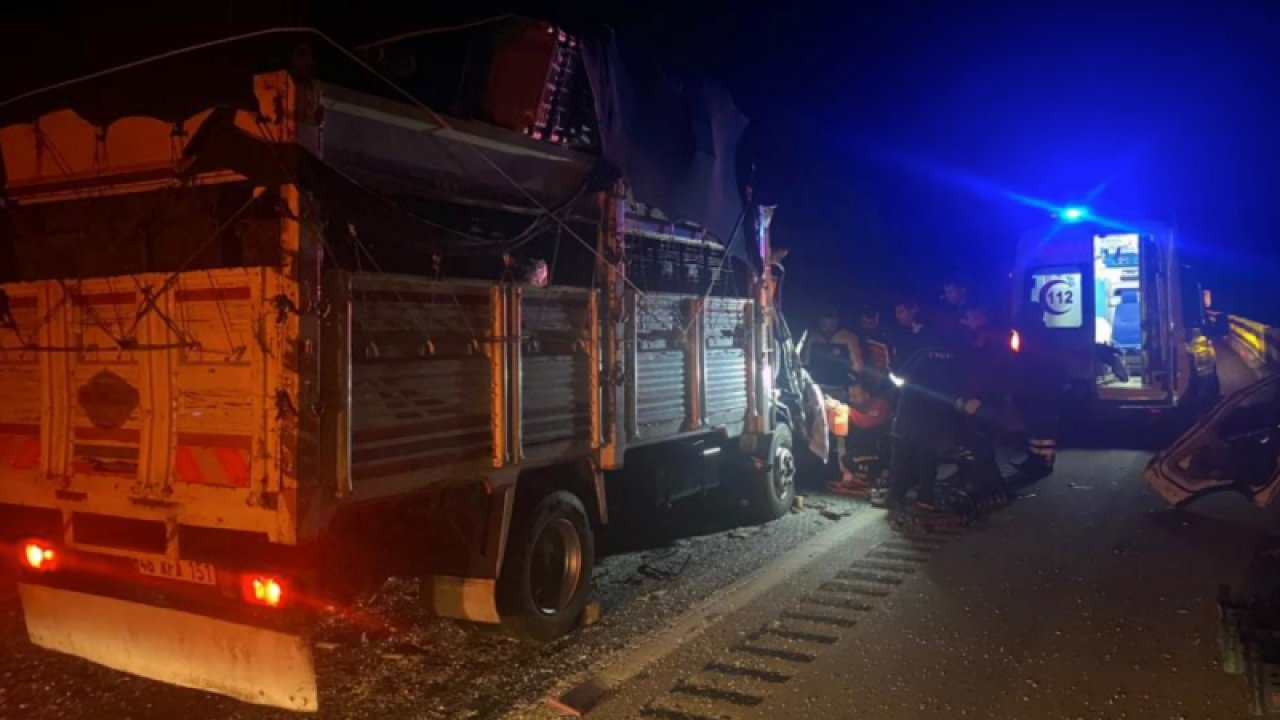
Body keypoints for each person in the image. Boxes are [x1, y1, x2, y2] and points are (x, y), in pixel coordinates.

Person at [827, 374, 893, 496]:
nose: (852, 400)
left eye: (855, 396)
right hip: (863, 450)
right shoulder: (856, 407)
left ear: (867, 396)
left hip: (880, 453)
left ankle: (872, 478)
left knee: (849, 460)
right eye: (850, 396)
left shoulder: (881, 405)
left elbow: (867, 422)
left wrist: (849, 411)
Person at [801, 306, 863, 391]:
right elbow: (805, 363)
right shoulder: (813, 338)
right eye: (824, 325)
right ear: (819, 323)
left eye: (832, 325)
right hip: (817, 387)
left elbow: (857, 365)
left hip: (840, 389)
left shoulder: (848, 338)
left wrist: (848, 382)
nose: (828, 329)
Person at [885, 297, 933, 375]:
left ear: (913, 310)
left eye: (901, 312)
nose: (898, 316)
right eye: (896, 313)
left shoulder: (927, 331)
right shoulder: (897, 335)